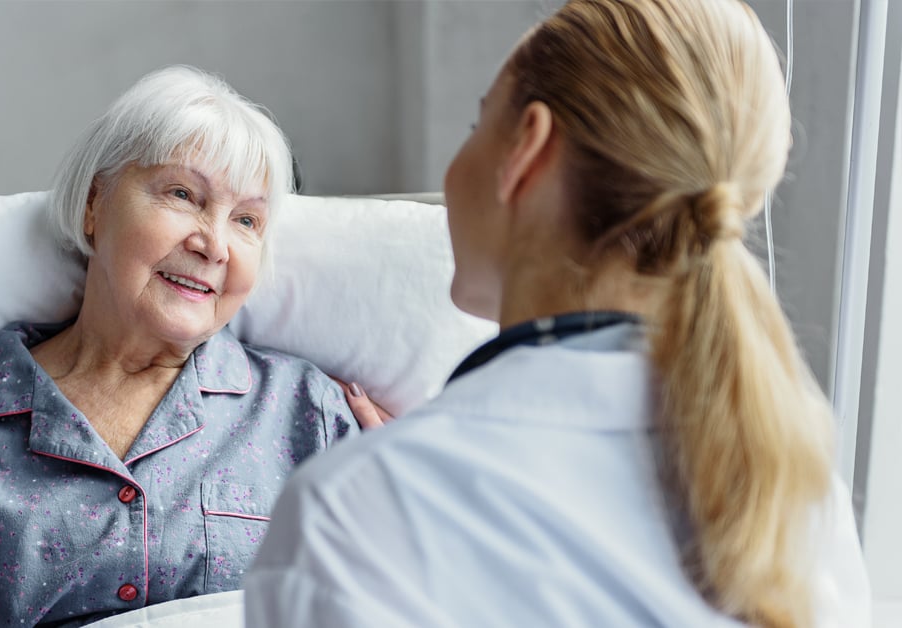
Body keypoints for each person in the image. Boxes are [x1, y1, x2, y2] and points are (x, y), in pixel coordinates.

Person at [244, 1, 871, 626]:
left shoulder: (351, 517)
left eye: (476, 125)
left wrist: (396, 473)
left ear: (527, 149)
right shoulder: (799, 496)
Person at [0, 65, 362, 627]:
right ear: (94, 204)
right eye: (183, 194)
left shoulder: (308, 415)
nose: (215, 244)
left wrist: (419, 484)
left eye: (247, 220)